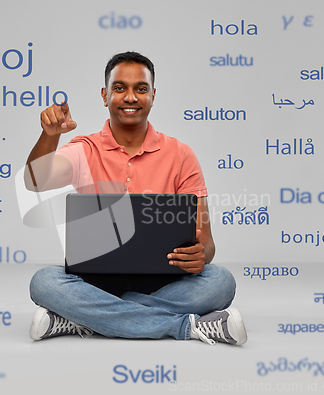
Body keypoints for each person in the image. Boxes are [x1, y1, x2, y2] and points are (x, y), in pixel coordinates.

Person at [24, 52, 247, 346]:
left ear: (153, 96)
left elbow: (206, 243)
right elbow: (34, 181)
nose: (130, 97)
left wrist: (201, 256)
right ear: (105, 96)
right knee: (43, 282)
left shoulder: (181, 155)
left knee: (220, 282)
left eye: (141, 89)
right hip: (96, 281)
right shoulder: (83, 150)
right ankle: (186, 327)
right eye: (120, 88)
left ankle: (84, 318)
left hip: (164, 280)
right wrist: (49, 135)